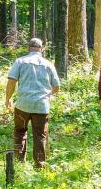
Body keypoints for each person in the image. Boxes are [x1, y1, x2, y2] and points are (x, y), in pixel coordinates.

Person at [6, 38, 61, 168]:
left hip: (22, 105)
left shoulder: (20, 61)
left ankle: (19, 162)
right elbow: (57, 86)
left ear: (28, 48)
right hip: (42, 106)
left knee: (20, 132)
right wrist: (46, 95)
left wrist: (7, 98)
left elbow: (11, 81)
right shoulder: (48, 64)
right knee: (40, 135)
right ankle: (40, 164)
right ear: (41, 49)